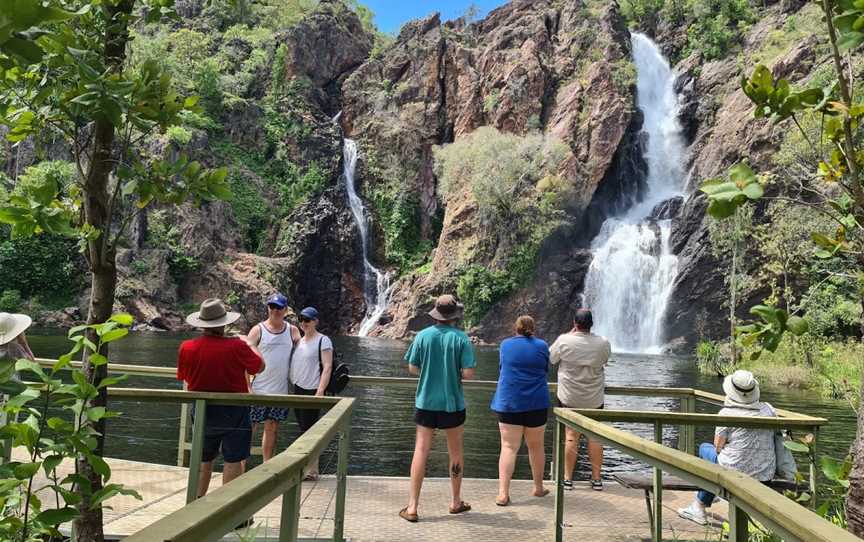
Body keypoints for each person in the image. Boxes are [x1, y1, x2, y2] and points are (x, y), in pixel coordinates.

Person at [177, 298, 264, 510]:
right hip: (234, 409)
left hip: (202, 408)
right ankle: (227, 510)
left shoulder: (187, 347)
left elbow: (185, 377)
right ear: (224, 324)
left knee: (203, 459)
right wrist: (251, 344)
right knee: (233, 460)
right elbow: (259, 367)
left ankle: (194, 507)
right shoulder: (237, 346)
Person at [399, 294, 476, 523]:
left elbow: (412, 367)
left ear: (436, 313)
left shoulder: (423, 336)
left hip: (425, 402)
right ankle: (455, 502)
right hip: (452, 404)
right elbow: (468, 374)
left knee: (421, 450)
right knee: (455, 452)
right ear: (454, 316)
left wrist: (429, 371)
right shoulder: (462, 339)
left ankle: (412, 507)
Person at [678, 370, 777, 525]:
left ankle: (699, 505)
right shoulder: (768, 410)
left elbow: (718, 447)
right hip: (764, 475)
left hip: (734, 472)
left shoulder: (726, 413)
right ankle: (710, 493)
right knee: (717, 462)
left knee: (705, 449)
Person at [490, 315, 551, 506]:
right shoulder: (542, 346)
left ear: (515, 328)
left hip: (509, 401)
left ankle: (503, 494)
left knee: (508, 447)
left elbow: (502, 367)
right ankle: (538, 488)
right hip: (536, 402)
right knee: (536, 446)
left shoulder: (505, 345)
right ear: (533, 329)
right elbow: (545, 368)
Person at [550, 308, 611, 491]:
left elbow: (551, 358)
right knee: (595, 437)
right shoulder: (603, 343)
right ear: (591, 324)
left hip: (569, 396)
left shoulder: (564, 340)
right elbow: (605, 360)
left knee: (570, 436)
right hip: (594, 397)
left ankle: (567, 479)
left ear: (575, 324)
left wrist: (569, 334)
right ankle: (597, 479)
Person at [246, 293, 301, 461]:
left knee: (272, 428)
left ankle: (266, 466)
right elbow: (245, 359)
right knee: (249, 428)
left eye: (279, 308)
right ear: (268, 308)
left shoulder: (292, 330)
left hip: (280, 391)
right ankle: (239, 465)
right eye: (272, 307)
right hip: (257, 389)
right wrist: (247, 388)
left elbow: (305, 351)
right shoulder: (258, 330)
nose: (275, 311)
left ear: (285, 310)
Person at [289, 306, 333, 480]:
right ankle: (306, 467)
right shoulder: (300, 341)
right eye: (301, 320)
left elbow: (327, 366)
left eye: (307, 320)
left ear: (316, 321)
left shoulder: (323, 340)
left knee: (309, 430)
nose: (303, 323)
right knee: (303, 429)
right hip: (298, 388)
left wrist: (320, 390)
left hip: (312, 389)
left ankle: (312, 470)